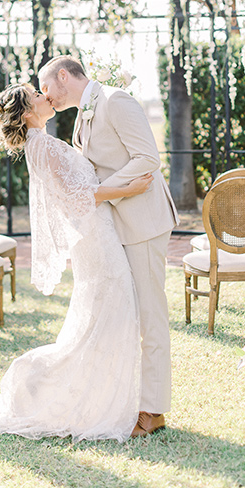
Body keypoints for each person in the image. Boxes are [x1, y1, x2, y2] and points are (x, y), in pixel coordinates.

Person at [0, 83, 153, 442]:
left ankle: (100, 395)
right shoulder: (43, 147)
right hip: (97, 241)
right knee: (108, 316)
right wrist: (127, 189)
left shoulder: (41, 145)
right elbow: (78, 198)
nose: (44, 96)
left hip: (97, 236)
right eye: (36, 95)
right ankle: (50, 386)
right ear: (27, 113)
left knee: (103, 317)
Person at [38, 55, 179, 437]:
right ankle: (132, 400)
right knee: (128, 316)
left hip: (144, 221)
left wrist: (107, 193)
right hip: (117, 227)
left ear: (63, 76)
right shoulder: (82, 116)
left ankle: (153, 411)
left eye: (46, 87)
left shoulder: (116, 101)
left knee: (151, 316)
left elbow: (148, 158)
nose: (45, 96)